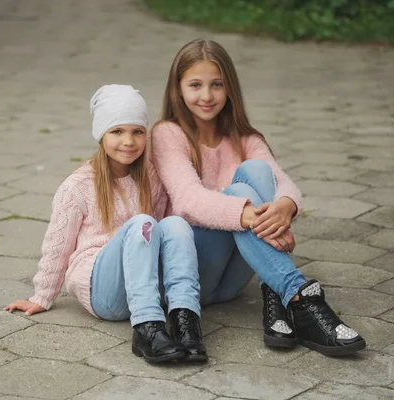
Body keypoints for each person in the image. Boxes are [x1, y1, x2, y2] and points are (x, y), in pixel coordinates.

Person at [151, 39, 365, 356]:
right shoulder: (167, 133)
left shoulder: (245, 138)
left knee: (257, 171)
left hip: (230, 286)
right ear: (178, 88)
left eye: (217, 85)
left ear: (230, 88)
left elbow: (283, 183)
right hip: (191, 277)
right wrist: (252, 216)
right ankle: (299, 298)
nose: (206, 96)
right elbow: (187, 200)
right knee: (241, 193)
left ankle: (275, 300)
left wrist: (285, 207)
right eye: (195, 85)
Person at [5, 84, 207, 363]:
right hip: (102, 291)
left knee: (174, 223)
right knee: (143, 223)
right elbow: (57, 244)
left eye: (137, 132)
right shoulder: (78, 186)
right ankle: (147, 330)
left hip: (143, 287)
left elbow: (165, 235)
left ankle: (186, 324)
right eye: (117, 131)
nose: (129, 141)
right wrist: (42, 295)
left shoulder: (151, 176)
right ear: (101, 134)